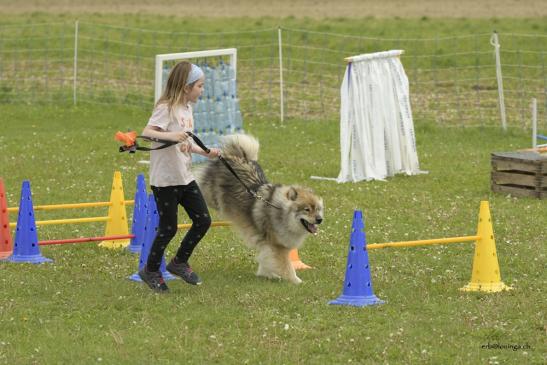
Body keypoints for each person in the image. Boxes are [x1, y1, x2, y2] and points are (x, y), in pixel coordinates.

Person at [139, 61, 220, 293]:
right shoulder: (167, 107)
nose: (202, 91)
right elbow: (147, 133)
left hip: (184, 176)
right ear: (186, 87)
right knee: (168, 228)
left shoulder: (186, 108)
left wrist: (206, 152)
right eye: (200, 86)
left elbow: (187, 141)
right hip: (166, 179)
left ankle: (179, 263)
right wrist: (174, 136)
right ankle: (151, 270)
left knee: (203, 220)